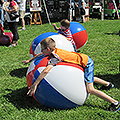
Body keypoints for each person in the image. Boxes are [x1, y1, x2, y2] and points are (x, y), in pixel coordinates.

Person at [22, 37, 119, 112]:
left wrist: (35, 85)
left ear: (48, 49)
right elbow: (41, 54)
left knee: (90, 89)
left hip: (87, 63)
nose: (42, 52)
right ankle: (108, 84)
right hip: (84, 58)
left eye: (43, 49)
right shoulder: (54, 49)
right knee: (87, 78)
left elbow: (46, 71)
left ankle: (114, 103)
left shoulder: (55, 57)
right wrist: (30, 60)